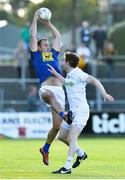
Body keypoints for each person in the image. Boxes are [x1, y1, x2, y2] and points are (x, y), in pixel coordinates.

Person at [47, 52, 114, 174]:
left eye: (63, 60)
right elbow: (67, 84)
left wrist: (104, 94)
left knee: (72, 138)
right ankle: (81, 154)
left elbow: (94, 80)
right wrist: (55, 74)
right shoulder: (70, 75)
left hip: (81, 110)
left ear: (68, 62)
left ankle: (67, 168)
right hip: (73, 111)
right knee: (62, 137)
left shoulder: (78, 73)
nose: (62, 62)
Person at [30, 10, 73, 166]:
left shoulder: (53, 54)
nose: (47, 45)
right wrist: (35, 18)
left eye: (48, 44)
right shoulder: (36, 55)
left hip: (59, 90)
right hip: (46, 88)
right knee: (50, 96)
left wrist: (48, 24)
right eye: (44, 44)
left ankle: (45, 149)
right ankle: (65, 114)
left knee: (56, 127)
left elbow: (58, 37)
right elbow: (33, 36)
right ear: (39, 47)